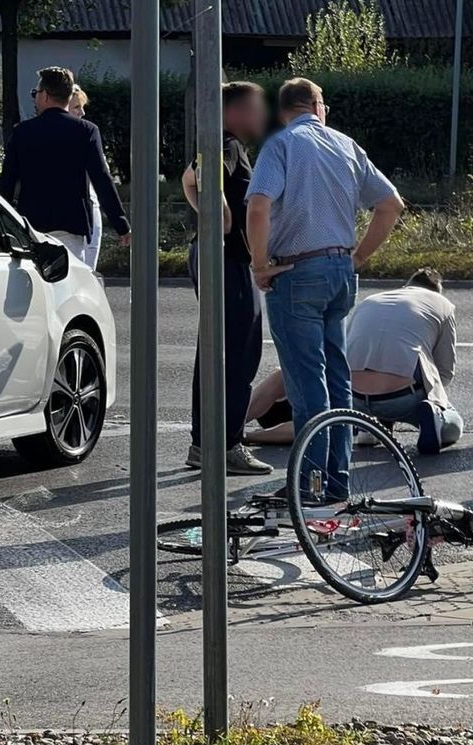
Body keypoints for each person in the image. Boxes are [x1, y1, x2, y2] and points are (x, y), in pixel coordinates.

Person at [246, 77, 404, 499]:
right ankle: (337, 480)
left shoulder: (280, 146)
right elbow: (391, 204)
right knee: (337, 380)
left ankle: (309, 484)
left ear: (283, 111)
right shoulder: (346, 146)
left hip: (295, 271)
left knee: (306, 383)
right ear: (318, 106)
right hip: (339, 270)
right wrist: (358, 257)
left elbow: (259, 206)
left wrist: (260, 264)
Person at [181, 81, 272, 475]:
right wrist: (222, 218)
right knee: (237, 352)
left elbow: (188, 179)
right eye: (254, 108)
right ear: (233, 111)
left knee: (216, 349)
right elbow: (198, 176)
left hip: (217, 253)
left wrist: (211, 214)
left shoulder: (222, 144)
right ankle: (228, 444)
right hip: (228, 259)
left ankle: (205, 443)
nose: (261, 115)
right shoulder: (226, 145)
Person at [0, 67, 130, 262]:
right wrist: (121, 224)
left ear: (45, 96)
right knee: (70, 285)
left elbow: (7, 182)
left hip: (32, 224)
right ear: (69, 97)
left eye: (36, 93)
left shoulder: (22, 132)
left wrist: (1, 224)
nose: (35, 98)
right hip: (72, 224)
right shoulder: (87, 131)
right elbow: (101, 178)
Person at [347, 269, 463, 455]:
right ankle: (436, 419)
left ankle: (369, 426)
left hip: (354, 395)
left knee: (372, 361)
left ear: (407, 285)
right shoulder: (443, 305)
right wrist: (436, 400)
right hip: (402, 397)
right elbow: (445, 371)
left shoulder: (369, 301)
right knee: (454, 424)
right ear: (437, 290)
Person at [67, 85, 103, 270]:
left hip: (90, 206)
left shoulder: (86, 132)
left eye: (82, 107)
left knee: (88, 269)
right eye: (76, 107)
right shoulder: (86, 133)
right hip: (76, 213)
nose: (82, 112)